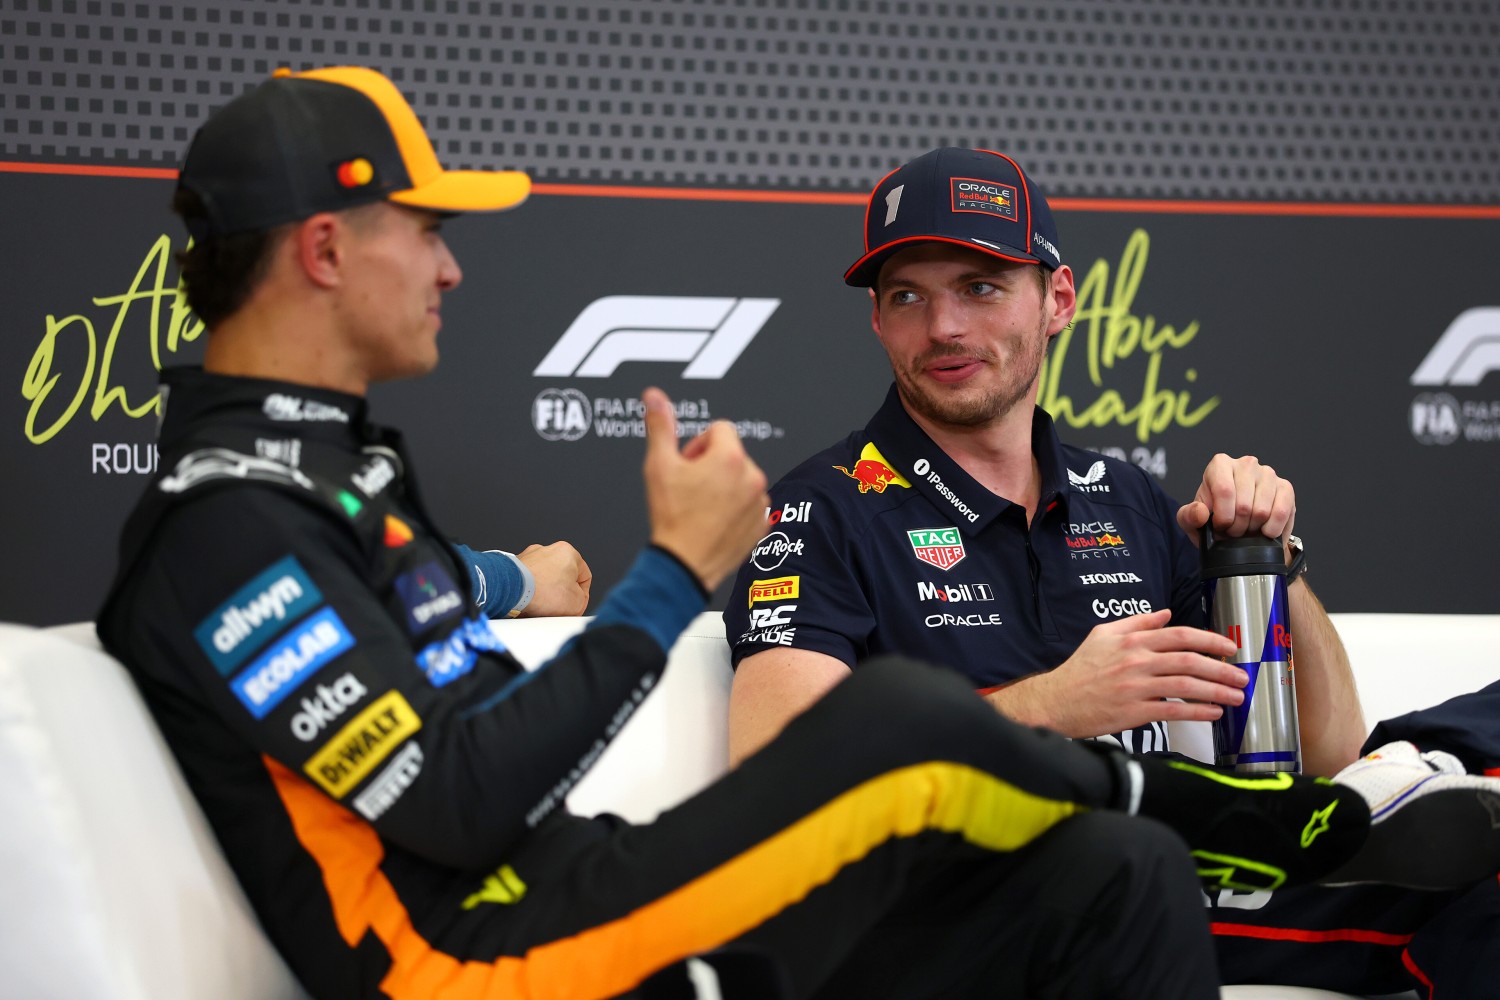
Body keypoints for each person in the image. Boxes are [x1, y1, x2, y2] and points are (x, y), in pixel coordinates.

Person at [94, 67, 1467, 1000]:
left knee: (1123, 871)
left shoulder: (306, 487)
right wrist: (667, 575)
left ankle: (1274, 826)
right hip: (475, 959)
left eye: (984, 289)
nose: (451, 263)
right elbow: (452, 797)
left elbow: (411, 646)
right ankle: (1290, 829)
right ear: (327, 249)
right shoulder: (227, 525)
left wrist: (519, 577)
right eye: (425, 226)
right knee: (893, 726)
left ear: (1056, 301)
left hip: (556, 882)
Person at [724, 146, 1500, 994]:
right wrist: (1051, 706)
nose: (942, 327)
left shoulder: (1128, 501)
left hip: (1195, 884)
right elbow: (774, 780)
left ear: (1058, 300)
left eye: (980, 287)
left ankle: (1438, 768)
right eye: (907, 296)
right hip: (978, 912)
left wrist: (1269, 563)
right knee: (1131, 862)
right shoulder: (825, 508)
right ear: (877, 321)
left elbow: (1332, 752)